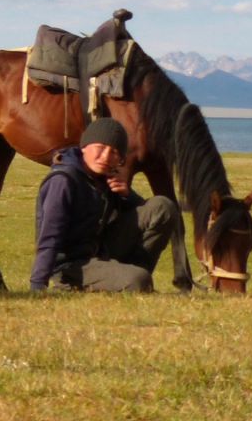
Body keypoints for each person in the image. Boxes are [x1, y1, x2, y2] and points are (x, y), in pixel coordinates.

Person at [30, 116, 180, 291]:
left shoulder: (106, 178)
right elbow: (50, 236)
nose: (105, 157)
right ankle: (127, 280)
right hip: (71, 265)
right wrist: (38, 285)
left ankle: (133, 275)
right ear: (84, 147)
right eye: (100, 148)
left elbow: (146, 219)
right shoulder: (63, 181)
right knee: (138, 280)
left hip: (100, 251)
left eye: (114, 152)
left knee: (163, 207)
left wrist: (128, 196)